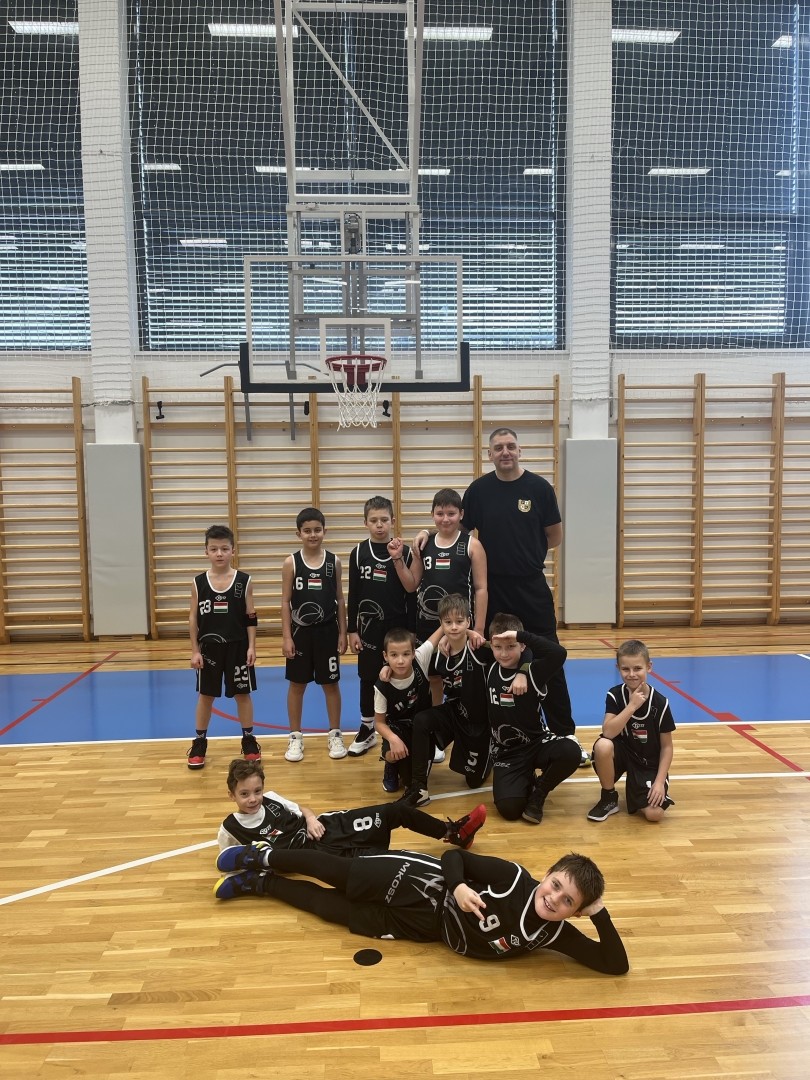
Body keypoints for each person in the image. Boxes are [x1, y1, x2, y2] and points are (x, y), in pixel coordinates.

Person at [213, 843, 629, 975]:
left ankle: (261, 884)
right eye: (556, 885)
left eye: (568, 901)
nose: (554, 899)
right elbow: (453, 855)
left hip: (422, 926)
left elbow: (615, 965)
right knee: (334, 872)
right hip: (421, 880)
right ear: (548, 874)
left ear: (576, 912)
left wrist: (599, 912)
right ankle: (263, 857)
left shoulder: (553, 932)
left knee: (330, 908)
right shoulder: (513, 878)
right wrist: (460, 886)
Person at [416, 428, 577, 749]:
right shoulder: (478, 490)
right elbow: (453, 531)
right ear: (489, 454)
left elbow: (555, 536)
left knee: (548, 653)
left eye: (511, 446)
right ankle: (494, 732)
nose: (505, 452)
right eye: (499, 447)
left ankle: (564, 733)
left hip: (531, 586)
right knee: (490, 658)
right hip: (494, 589)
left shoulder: (540, 488)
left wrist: (525, 553)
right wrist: (425, 534)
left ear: (520, 451)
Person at [398, 592, 524, 807]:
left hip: (479, 724)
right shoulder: (439, 654)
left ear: (468, 620)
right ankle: (419, 788)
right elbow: (406, 663)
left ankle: (493, 753)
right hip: (454, 714)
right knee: (422, 720)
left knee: (473, 782)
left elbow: (522, 651)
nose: (454, 627)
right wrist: (386, 670)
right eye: (448, 623)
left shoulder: (479, 648)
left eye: (459, 621)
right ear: (441, 624)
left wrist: (523, 672)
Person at [217, 757, 487, 856]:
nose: (253, 799)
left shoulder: (272, 798)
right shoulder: (230, 829)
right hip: (314, 855)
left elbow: (303, 809)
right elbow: (228, 861)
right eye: (244, 794)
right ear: (232, 795)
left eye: (257, 791)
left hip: (329, 826)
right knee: (383, 861)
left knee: (394, 811)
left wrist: (311, 820)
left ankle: (453, 833)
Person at [486, 613, 581, 824]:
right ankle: (526, 778)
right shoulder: (489, 666)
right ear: (491, 645)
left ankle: (539, 793)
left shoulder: (535, 672)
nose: (504, 653)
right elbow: (465, 640)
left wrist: (521, 636)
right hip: (507, 752)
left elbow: (559, 653)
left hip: (536, 743)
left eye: (511, 646)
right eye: (498, 647)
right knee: (510, 810)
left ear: (522, 646)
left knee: (571, 751)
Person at [346, 496, 417, 758]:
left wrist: (412, 630)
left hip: (398, 627)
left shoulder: (404, 552)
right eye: (374, 520)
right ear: (365, 522)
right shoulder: (358, 553)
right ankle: (367, 728)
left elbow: (412, 594)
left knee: (403, 675)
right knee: (368, 677)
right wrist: (352, 629)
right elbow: (354, 594)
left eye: (384, 520)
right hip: (369, 627)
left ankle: (408, 726)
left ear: (393, 521)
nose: (379, 525)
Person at [187, 524, 259, 770]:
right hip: (209, 648)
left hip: (238, 646)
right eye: (214, 549)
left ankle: (249, 740)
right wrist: (195, 650)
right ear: (206, 551)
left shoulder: (244, 581)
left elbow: (250, 616)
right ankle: (199, 743)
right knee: (206, 695)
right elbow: (193, 619)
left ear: (233, 551)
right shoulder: (198, 582)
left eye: (224, 549)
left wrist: (252, 646)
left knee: (242, 694)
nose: (219, 553)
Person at [281, 507, 348, 762]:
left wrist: (343, 633)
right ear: (298, 533)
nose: (312, 535)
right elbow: (285, 602)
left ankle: (335, 733)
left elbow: (340, 599)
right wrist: (287, 637)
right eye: (307, 530)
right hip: (300, 634)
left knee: (330, 684)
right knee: (297, 684)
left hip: (327, 632)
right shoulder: (291, 562)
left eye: (317, 530)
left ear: (324, 531)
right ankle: (295, 736)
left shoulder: (334, 562)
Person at [588, 639, 675, 823]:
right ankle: (609, 798)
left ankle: (637, 787)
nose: (632, 674)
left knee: (654, 814)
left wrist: (659, 782)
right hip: (623, 755)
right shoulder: (615, 695)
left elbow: (667, 747)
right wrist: (632, 706)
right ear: (618, 668)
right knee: (603, 745)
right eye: (625, 669)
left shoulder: (661, 703)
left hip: (647, 763)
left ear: (649, 667)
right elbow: (608, 732)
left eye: (637, 668)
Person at [411, 488, 487, 645]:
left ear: (461, 514)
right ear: (432, 514)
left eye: (451, 514)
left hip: (459, 624)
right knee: (428, 660)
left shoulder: (473, 545)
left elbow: (481, 589)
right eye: (440, 514)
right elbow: (412, 584)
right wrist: (397, 559)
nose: (445, 519)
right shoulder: (424, 543)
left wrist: (479, 629)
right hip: (426, 622)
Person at [373, 626, 436, 794]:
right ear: (385, 656)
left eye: (406, 654)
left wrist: (471, 632)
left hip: (421, 727)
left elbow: (444, 629)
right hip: (398, 729)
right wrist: (393, 739)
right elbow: (378, 723)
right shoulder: (382, 686)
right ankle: (391, 764)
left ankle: (427, 751)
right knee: (392, 754)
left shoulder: (420, 660)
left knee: (412, 781)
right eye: (394, 655)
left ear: (414, 653)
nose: (400, 661)